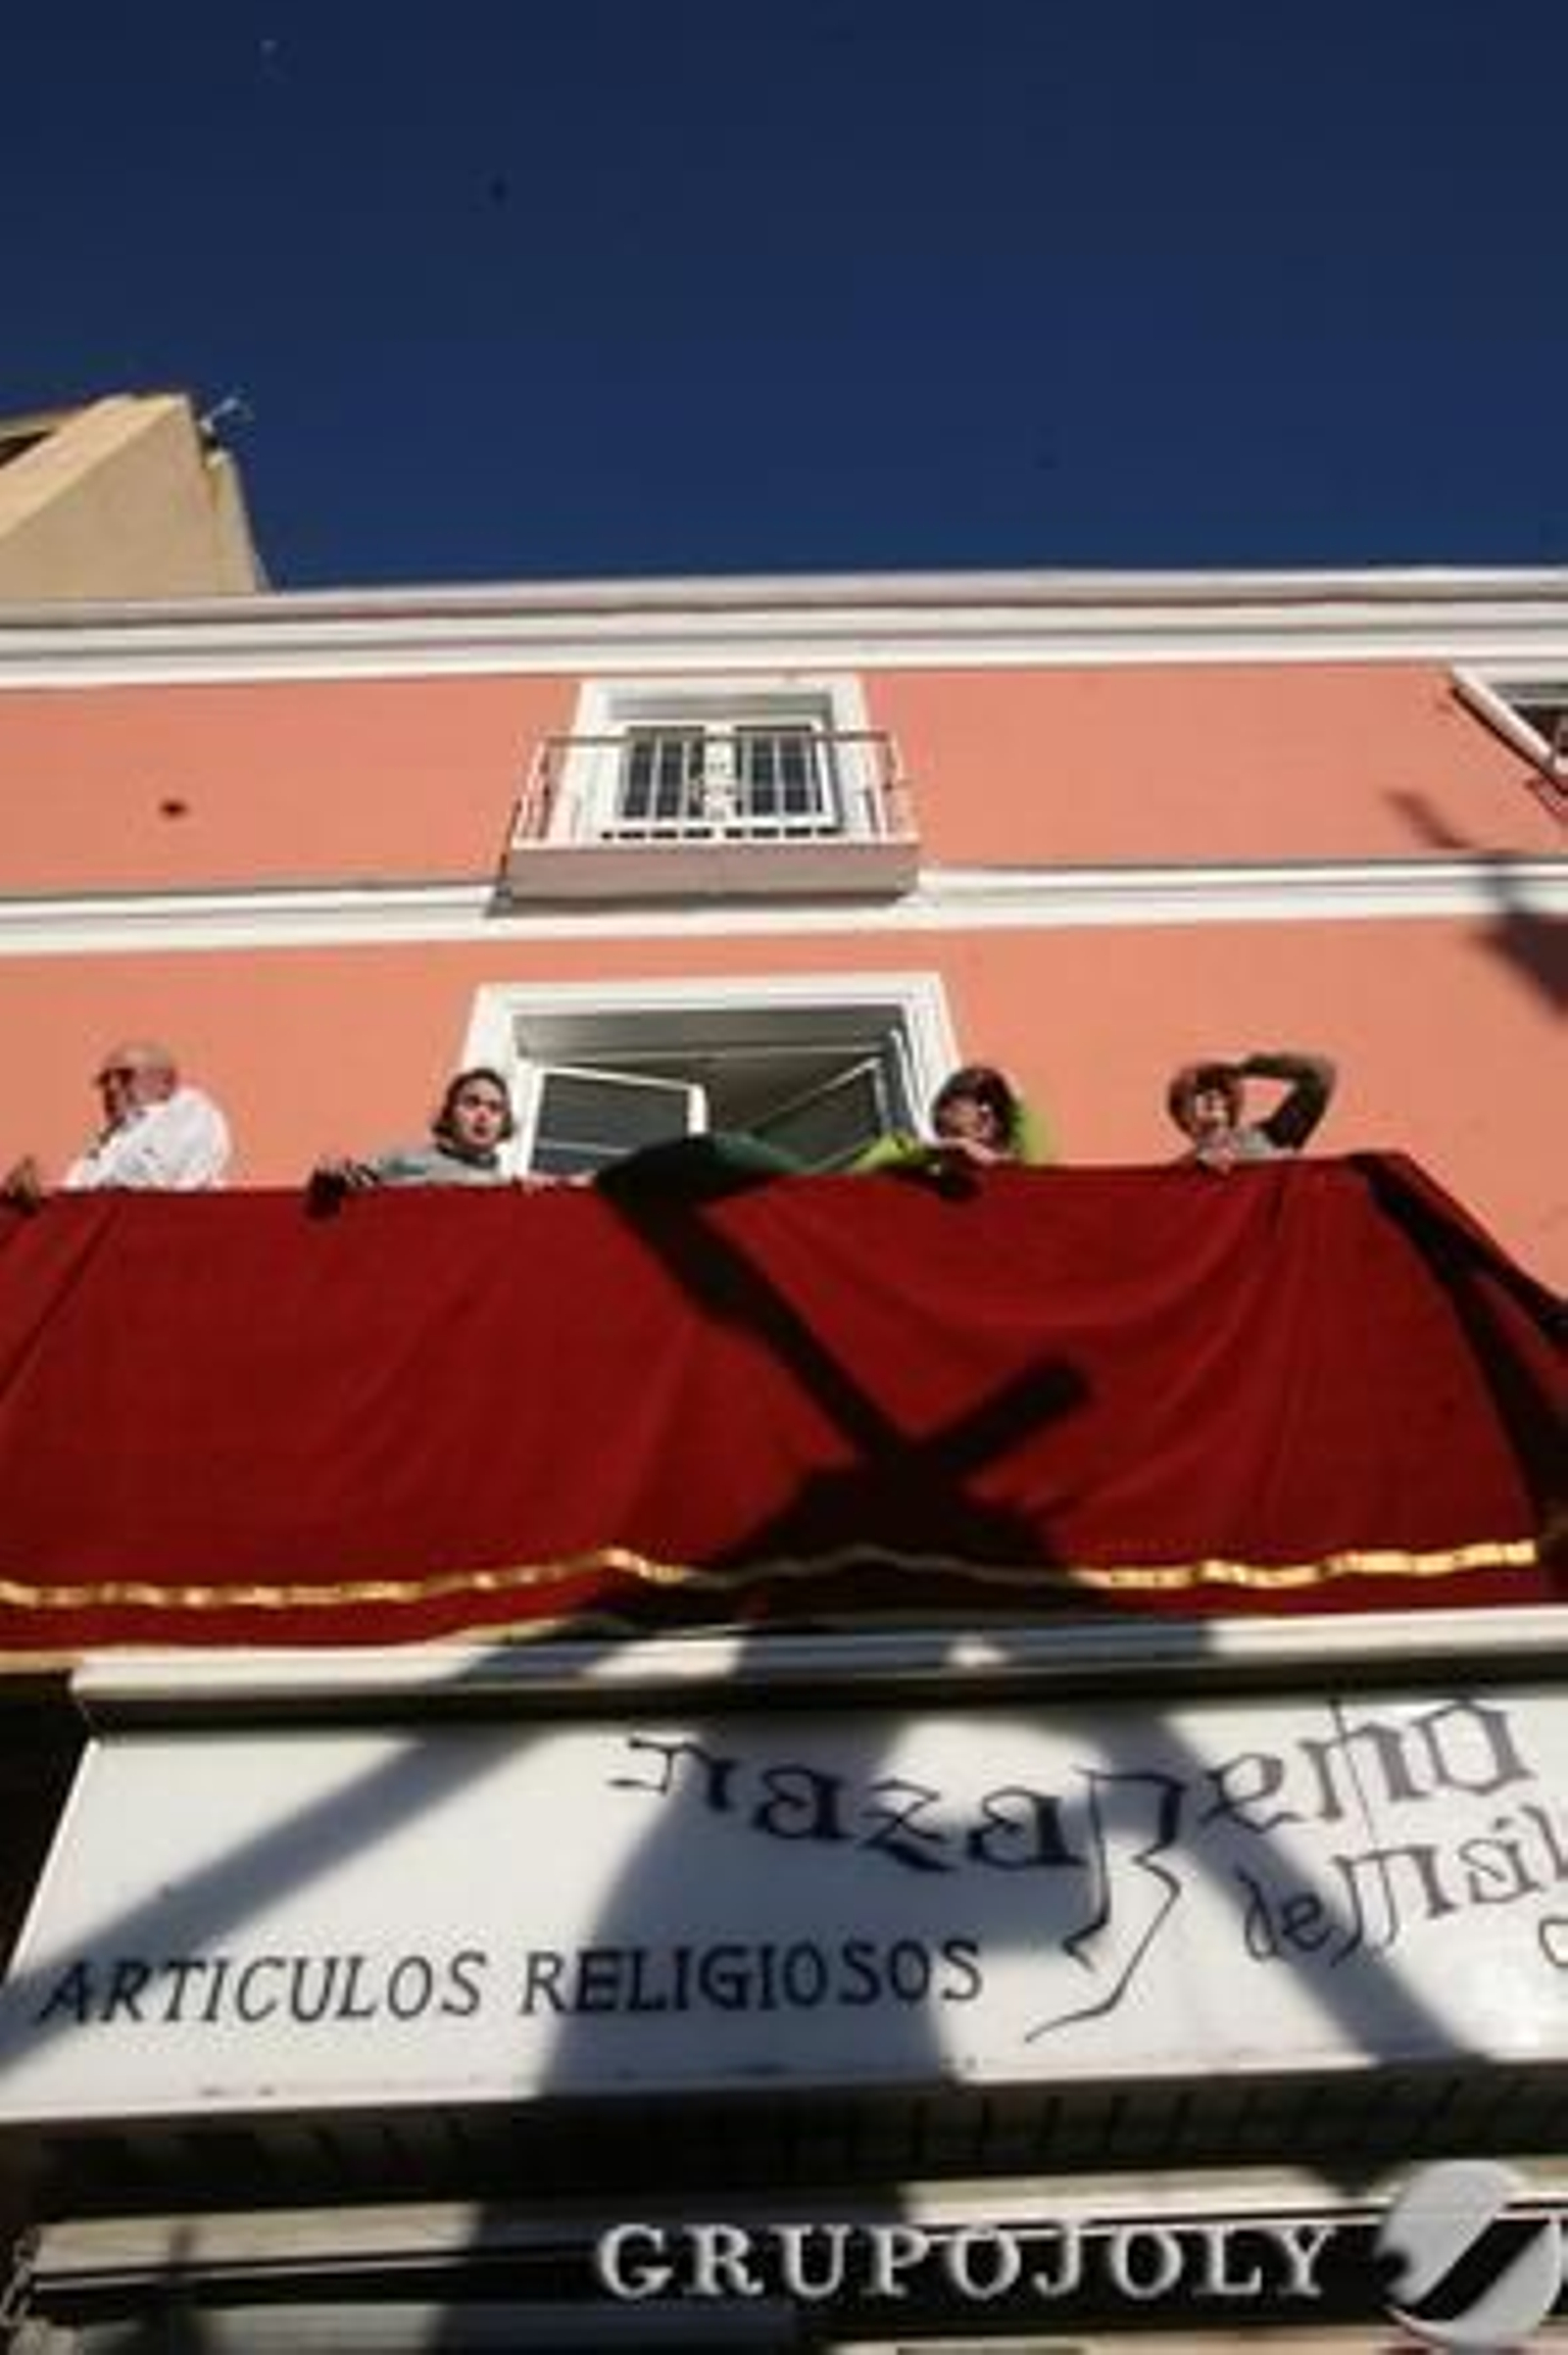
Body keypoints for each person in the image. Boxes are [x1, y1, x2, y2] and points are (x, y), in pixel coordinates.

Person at [2, 1040, 230, 1207]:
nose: (111, 1088)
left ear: (166, 1083)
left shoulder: (189, 1109)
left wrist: (58, 1194)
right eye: (104, 1080)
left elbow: (154, 1180)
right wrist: (34, 1191)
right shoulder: (108, 1141)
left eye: (124, 1076)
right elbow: (76, 1198)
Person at [309, 1067, 516, 1199]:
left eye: (495, 1108)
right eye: (471, 1103)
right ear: (449, 1113)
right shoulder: (404, 1157)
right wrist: (333, 1173)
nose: (483, 1115)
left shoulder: (502, 1188)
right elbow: (354, 1188)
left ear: (504, 1124)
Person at [853, 1063, 1054, 1178]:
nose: (987, 1112)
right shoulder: (921, 1164)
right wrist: (937, 1151)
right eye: (979, 1098)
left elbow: (1044, 1179)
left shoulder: (1016, 1170)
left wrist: (1018, 1104)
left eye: (997, 1105)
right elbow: (854, 1182)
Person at [1166, 1049, 1337, 1171]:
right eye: (1199, 1092)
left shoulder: (1270, 1138)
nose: (1212, 1095)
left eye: (1222, 1090)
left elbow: (1320, 1073)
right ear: (1183, 1110)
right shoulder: (1180, 1173)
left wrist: (1245, 1066)